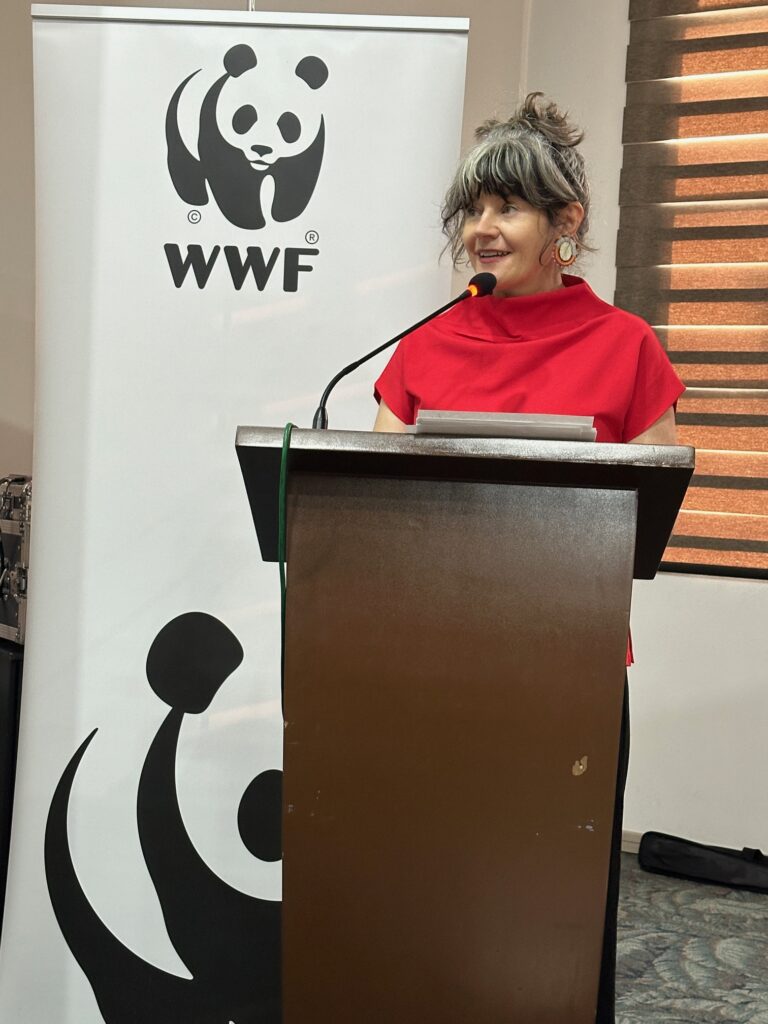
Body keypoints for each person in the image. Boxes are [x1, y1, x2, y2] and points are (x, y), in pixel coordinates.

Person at [372, 93, 685, 1023]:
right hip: (428, 656)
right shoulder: (421, 343)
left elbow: (655, 503)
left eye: (505, 208)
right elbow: (373, 502)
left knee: (559, 880)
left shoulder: (625, 347)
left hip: (569, 663)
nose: (481, 229)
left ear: (566, 223)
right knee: (439, 872)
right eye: (472, 210)